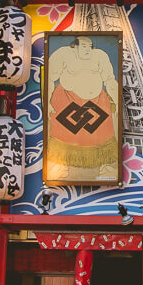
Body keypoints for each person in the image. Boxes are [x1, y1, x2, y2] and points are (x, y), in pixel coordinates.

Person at [46, 36, 119, 182]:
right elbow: (49, 77)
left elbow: (110, 79)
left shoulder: (100, 56)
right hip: (67, 99)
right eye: (84, 46)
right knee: (60, 132)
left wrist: (116, 98)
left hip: (96, 101)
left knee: (105, 132)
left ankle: (106, 167)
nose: (88, 50)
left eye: (90, 46)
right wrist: (47, 102)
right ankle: (60, 167)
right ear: (75, 46)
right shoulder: (63, 54)